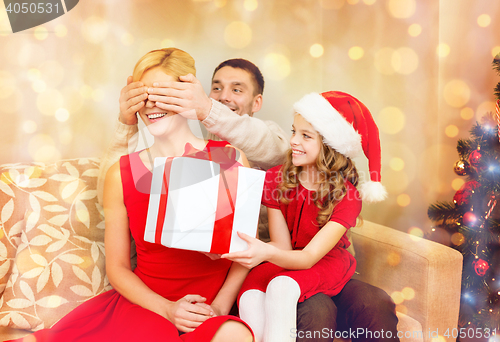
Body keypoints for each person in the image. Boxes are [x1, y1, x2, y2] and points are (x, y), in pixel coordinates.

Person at [97, 58, 400, 342]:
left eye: (237, 89)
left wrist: (207, 109)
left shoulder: (268, 141)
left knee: (373, 302)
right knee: (314, 309)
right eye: (216, 88)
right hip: (266, 262)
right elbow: (119, 187)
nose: (224, 97)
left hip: (305, 262)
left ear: (257, 103)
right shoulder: (257, 172)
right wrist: (128, 122)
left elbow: (265, 146)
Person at [8, 48, 254, 342]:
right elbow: (118, 268)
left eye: (162, 94)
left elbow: (246, 251)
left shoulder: (229, 159)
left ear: (187, 94)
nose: (151, 105)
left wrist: (218, 306)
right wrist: (167, 309)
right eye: (144, 95)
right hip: (147, 305)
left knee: (236, 335)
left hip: (209, 308)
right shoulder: (121, 174)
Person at [220, 91, 387, 342]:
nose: (293, 141)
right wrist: (261, 251)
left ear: (331, 146)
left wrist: (265, 253)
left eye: (306, 136)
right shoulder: (276, 178)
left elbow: (309, 258)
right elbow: (282, 247)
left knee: (284, 286)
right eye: (293, 131)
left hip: (325, 263)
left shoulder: (346, 195)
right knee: (251, 294)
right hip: (286, 259)